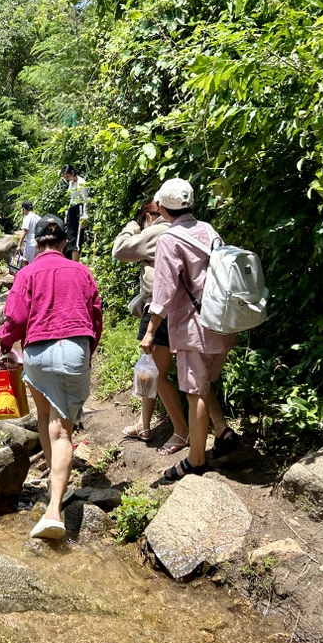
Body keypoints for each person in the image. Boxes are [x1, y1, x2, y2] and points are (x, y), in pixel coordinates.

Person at [0, 214, 103, 540]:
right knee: (62, 431)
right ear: (65, 242)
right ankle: (55, 510)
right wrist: (88, 350)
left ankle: (51, 491)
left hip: (37, 353)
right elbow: (95, 316)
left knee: (44, 417)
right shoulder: (82, 271)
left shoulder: (26, 273)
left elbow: (15, 317)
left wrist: (3, 342)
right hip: (73, 349)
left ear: (36, 243)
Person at [140, 179, 237, 480]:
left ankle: (196, 460)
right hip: (222, 321)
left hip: (194, 326)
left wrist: (150, 331)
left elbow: (164, 289)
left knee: (195, 393)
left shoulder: (170, 240)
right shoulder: (208, 230)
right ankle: (220, 433)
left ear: (163, 209)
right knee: (204, 385)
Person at [112, 201, 189, 453]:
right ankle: (144, 424)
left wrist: (132, 226)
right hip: (171, 308)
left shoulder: (158, 230)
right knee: (149, 369)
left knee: (154, 371)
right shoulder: (187, 228)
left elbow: (120, 250)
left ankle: (182, 430)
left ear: (150, 216)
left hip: (160, 310)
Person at [60, 164, 89, 261]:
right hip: (72, 210)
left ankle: (75, 264)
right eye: (66, 177)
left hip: (79, 210)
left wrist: (84, 218)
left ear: (72, 172)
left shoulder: (81, 183)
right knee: (70, 239)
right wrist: (67, 213)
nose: (67, 179)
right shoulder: (71, 182)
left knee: (76, 241)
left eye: (68, 176)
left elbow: (85, 201)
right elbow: (71, 198)